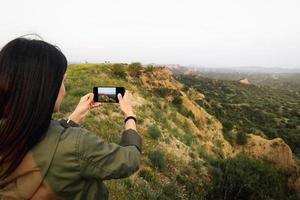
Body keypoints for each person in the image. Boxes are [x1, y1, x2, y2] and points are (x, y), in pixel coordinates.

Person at [0, 37, 142, 200]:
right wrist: (129, 115)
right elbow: (130, 159)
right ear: (46, 88)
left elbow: (44, 135)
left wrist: (76, 115)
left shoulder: (10, 130)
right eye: (62, 81)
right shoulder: (76, 145)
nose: (63, 89)